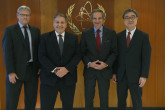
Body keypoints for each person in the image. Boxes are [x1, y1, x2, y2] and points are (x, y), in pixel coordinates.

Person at [38, 13, 81, 110]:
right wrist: (54, 70)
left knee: (68, 107)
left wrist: (67, 69)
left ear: (66, 24)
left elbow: (77, 55)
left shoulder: (73, 38)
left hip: (68, 79)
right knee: (46, 107)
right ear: (53, 24)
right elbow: (41, 56)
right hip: (49, 79)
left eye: (62, 22)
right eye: (57, 22)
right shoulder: (44, 37)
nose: (59, 25)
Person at [2, 5, 40, 110]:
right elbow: (7, 53)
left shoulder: (36, 31)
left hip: (32, 71)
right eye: (22, 15)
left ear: (30, 16)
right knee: (12, 101)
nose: (25, 17)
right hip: (15, 72)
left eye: (27, 15)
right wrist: (10, 72)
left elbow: (38, 51)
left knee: (31, 100)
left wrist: (39, 67)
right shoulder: (9, 31)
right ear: (17, 16)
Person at [113, 9, 151, 110]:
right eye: (127, 17)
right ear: (123, 20)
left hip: (137, 76)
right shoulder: (118, 36)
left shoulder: (143, 36)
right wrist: (114, 72)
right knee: (121, 102)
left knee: (137, 102)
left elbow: (146, 58)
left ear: (137, 19)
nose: (130, 19)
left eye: (132, 17)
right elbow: (115, 56)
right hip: (121, 75)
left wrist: (144, 75)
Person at [80, 9, 117, 110]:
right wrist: (89, 63)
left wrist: (106, 64)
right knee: (88, 98)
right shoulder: (85, 33)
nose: (97, 20)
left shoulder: (111, 33)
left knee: (104, 98)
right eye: (95, 18)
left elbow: (114, 52)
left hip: (104, 71)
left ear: (103, 19)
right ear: (91, 20)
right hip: (90, 71)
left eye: (99, 18)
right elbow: (82, 52)